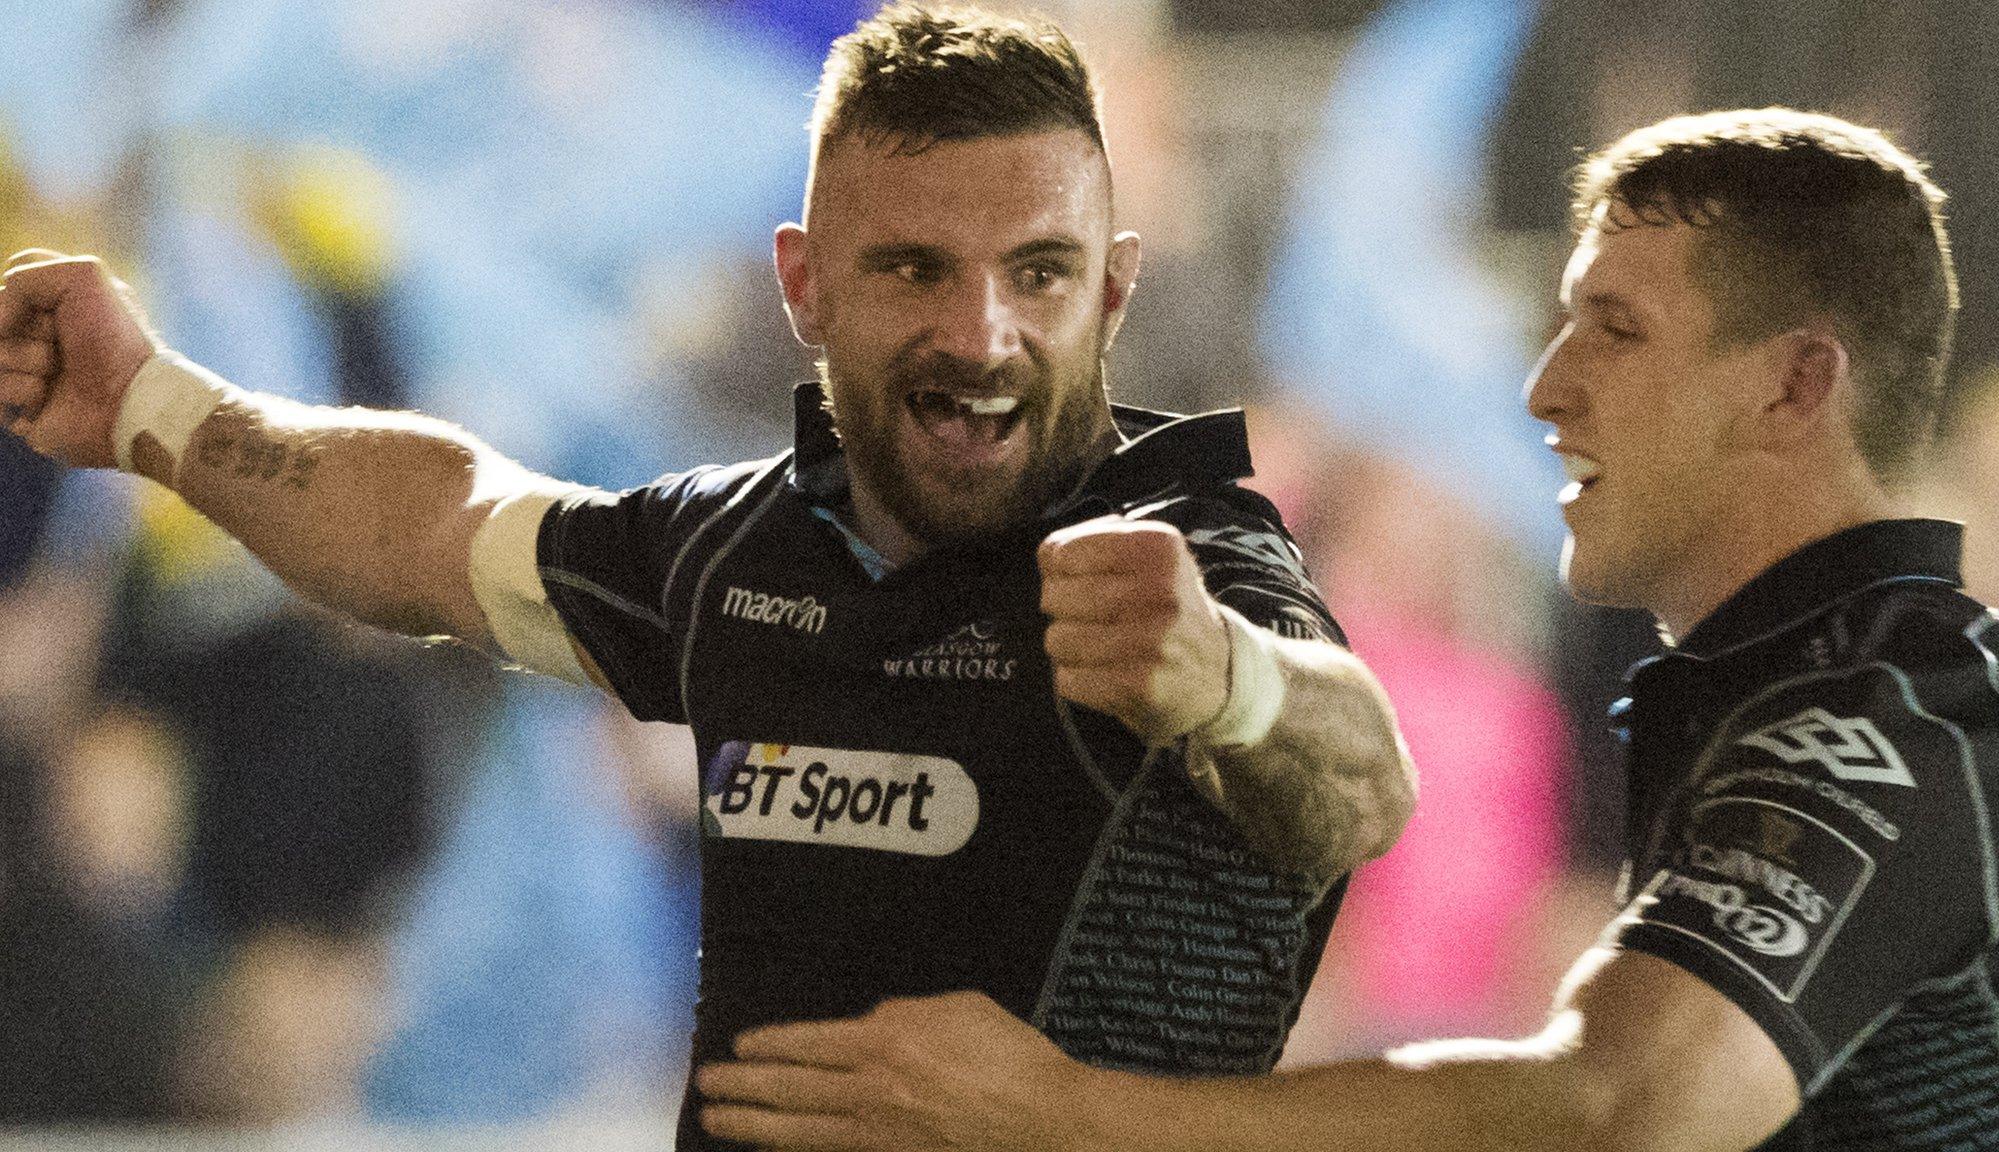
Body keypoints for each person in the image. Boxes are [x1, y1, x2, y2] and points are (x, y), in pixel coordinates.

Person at [0, 5, 1416, 1148]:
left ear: (1109, 290)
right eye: (914, 269)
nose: (979, 333)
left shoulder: (1183, 550)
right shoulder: (738, 551)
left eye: (1036, 274)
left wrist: (1225, 683)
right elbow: (436, 526)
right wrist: (152, 412)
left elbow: (1362, 781)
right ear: (804, 286)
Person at [692, 108, 1999, 1151]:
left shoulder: (1892, 711)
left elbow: (1618, 1100)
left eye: (1614, 332)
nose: (1543, 390)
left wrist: (1060, 1111)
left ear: (1795, 387)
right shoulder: (1787, 691)